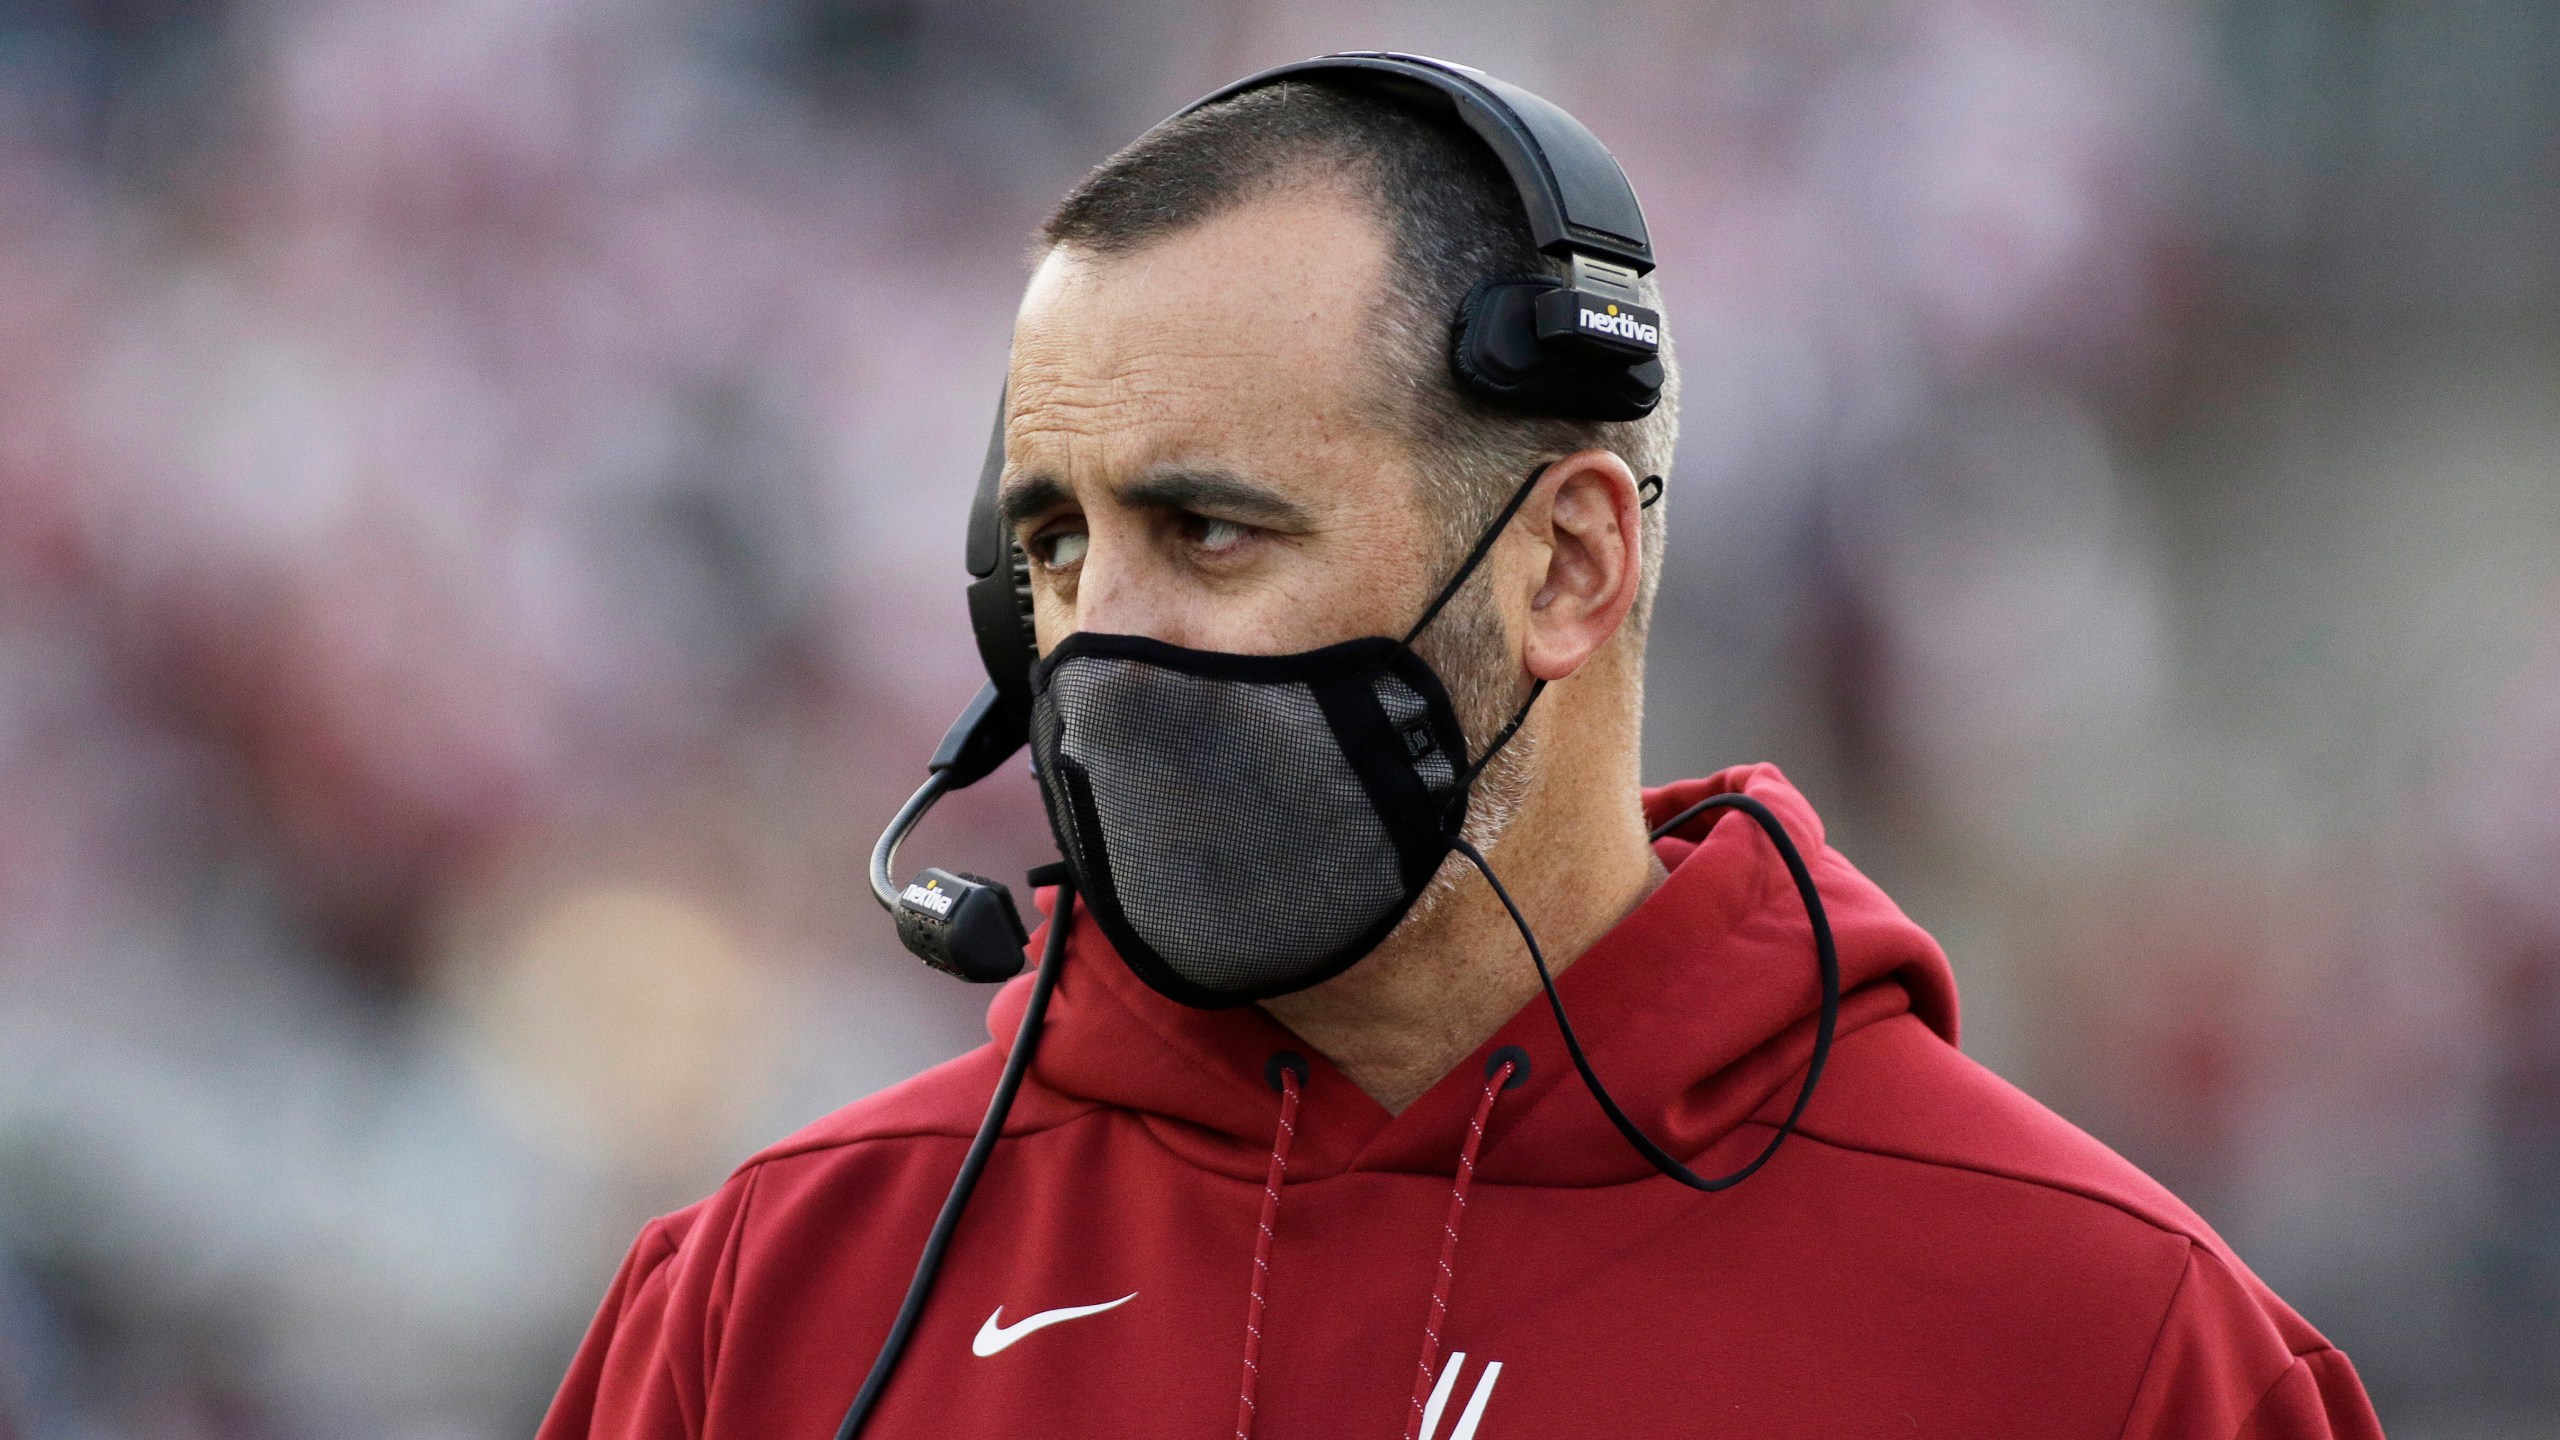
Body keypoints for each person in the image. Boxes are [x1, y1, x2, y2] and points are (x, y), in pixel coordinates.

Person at [540, 62, 2384, 1440]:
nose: (1098, 641)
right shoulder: (768, 1298)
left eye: (1211, 533)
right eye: (1050, 548)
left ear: (1567, 565)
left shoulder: (2103, 1342)